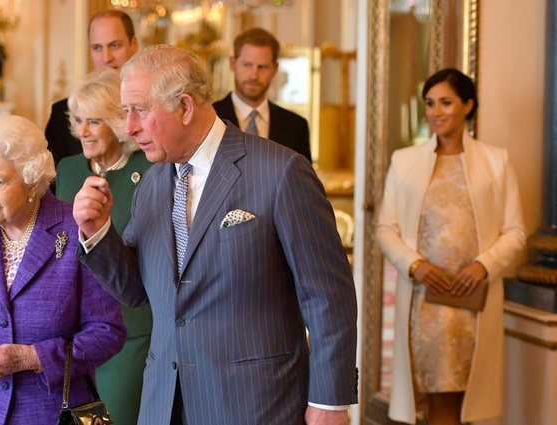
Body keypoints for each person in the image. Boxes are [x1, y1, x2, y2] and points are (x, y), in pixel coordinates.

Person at [73, 44, 357, 425]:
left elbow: (327, 296)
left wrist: (330, 400)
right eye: (127, 112)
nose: (130, 127)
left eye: (140, 110)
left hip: (255, 404)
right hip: (163, 405)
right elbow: (136, 291)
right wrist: (96, 232)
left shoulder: (281, 171)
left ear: (185, 107)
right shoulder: (154, 182)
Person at [0, 114, 126, 424]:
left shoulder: (74, 227)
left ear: (31, 179)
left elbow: (108, 332)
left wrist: (32, 358)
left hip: (49, 414)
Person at [376, 68, 526, 425]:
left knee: (468, 403)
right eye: (430, 103)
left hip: (474, 302)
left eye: (446, 102)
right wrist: (417, 265)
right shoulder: (405, 160)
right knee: (436, 400)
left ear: (468, 106)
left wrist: (482, 266)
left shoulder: (496, 161)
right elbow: (386, 229)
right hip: (425, 304)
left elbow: (516, 231)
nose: (436, 112)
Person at [55, 67, 153, 425]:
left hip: (131, 332)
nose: (82, 131)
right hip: (72, 336)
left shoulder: (150, 170)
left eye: (94, 121)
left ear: (117, 121)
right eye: (78, 120)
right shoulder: (66, 170)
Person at [45, 9, 139, 165]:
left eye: (115, 45)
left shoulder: (150, 110)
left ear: (133, 44)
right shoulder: (61, 114)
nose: (106, 57)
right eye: (97, 48)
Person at [213, 27, 312, 161]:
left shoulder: (297, 127)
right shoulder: (211, 117)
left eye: (262, 67)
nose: (254, 75)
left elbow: (301, 180)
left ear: (275, 69)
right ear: (232, 64)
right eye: (247, 65)